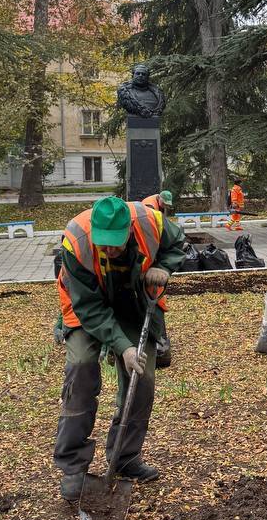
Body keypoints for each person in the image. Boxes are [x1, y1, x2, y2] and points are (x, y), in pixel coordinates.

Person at [54, 195, 185, 500]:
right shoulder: (76, 240)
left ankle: (125, 457)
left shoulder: (150, 221)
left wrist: (164, 267)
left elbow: (177, 243)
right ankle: (73, 468)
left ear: (129, 228)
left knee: (142, 378)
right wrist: (123, 347)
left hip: (134, 301)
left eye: (115, 243)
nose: (109, 250)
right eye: (103, 244)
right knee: (81, 371)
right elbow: (90, 308)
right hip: (85, 306)